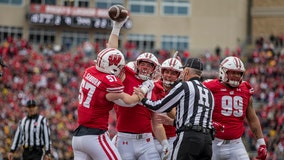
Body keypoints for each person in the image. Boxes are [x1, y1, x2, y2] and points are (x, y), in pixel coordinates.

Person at [71, 17, 153, 160]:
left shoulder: (90, 71)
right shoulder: (109, 82)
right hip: (94, 136)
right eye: (120, 67)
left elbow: (111, 51)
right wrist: (145, 88)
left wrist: (116, 28)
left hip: (78, 137)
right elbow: (130, 101)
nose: (122, 69)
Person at [136, 58, 215, 160]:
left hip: (189, 137)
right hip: (207, 141)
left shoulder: (185, 86)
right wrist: (173, 122)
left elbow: (159, 107)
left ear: (186, 71)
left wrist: (143, 99)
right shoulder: (208, 92)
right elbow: (197, 117)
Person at [202, 56, 267, 160]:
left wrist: (261, 143)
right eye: (233, 72)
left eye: (239, 73)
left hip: (235, 144)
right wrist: (209, 123)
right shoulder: (209, 87)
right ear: (223, 72)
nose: (236, 76)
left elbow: (252, 118)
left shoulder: (245, 89)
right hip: (212, 142)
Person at [113, 52, 170, 160]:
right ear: (137, 65)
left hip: (146, 141)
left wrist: (164, 142)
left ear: (154, 69)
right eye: (143, 64)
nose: (145, 67)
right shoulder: (127, 76)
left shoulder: (156, 88)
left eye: (149, 65)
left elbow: (156, 122)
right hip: (124, 139)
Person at [152, 57, 183, 160]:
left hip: (173, 137)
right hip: (151, 138)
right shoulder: (153, 86)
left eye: (173, 73)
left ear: (179, 76)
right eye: (167, 72)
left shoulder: (182, 90)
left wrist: (166, 103)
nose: (169, 75)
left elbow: (178, 116)